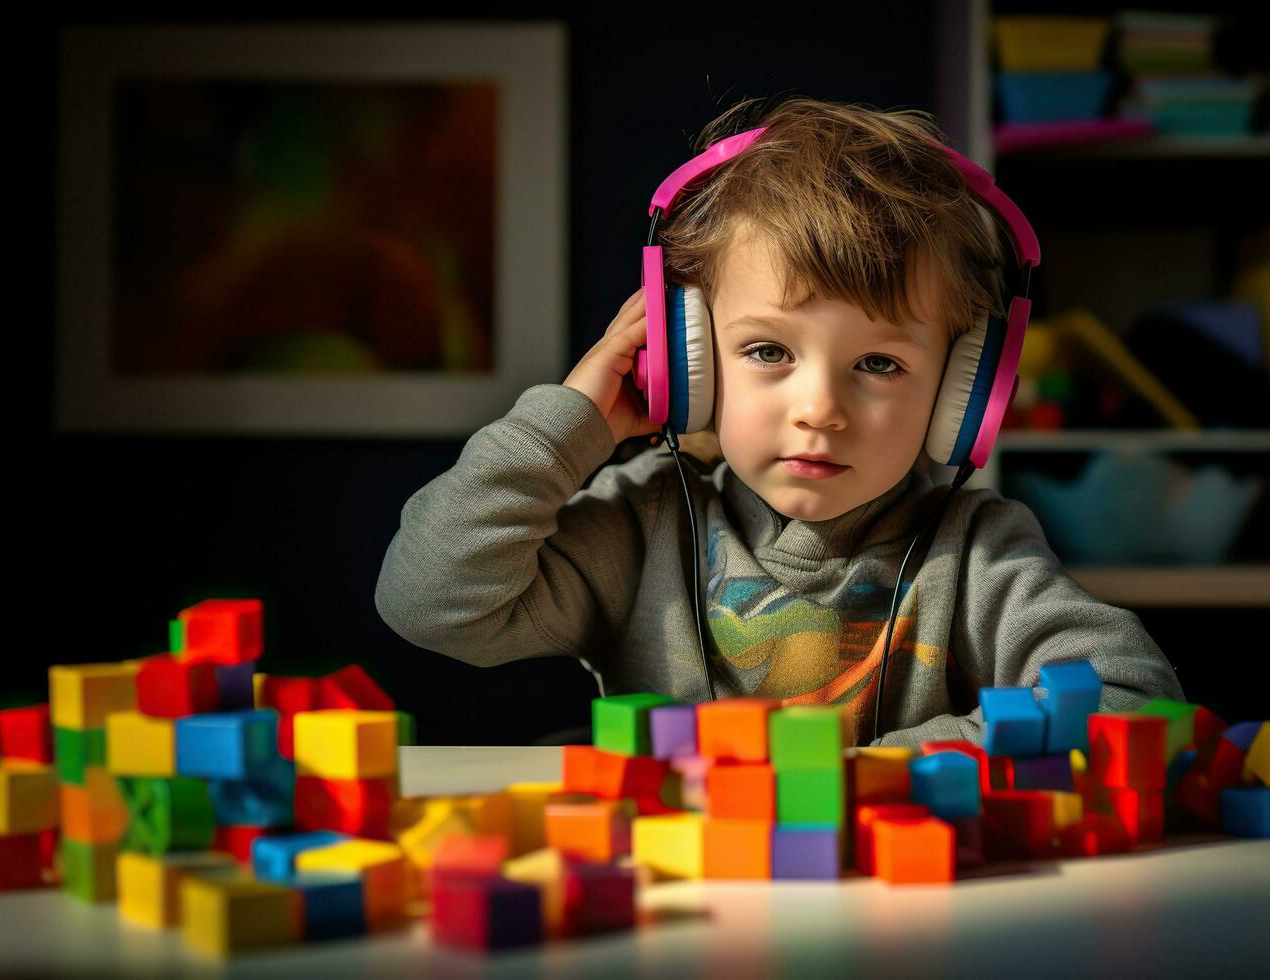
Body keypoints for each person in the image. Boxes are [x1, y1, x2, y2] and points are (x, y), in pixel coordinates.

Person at [374, 95, 1185, 748]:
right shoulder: (641, 524)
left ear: (959, 395)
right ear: (685, 362)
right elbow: (430, 599)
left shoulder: (977, 553)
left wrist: (883, 768)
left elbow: (1132, 698)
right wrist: (573, 420)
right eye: (768, 351)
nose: (821, 410)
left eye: (879, 364)